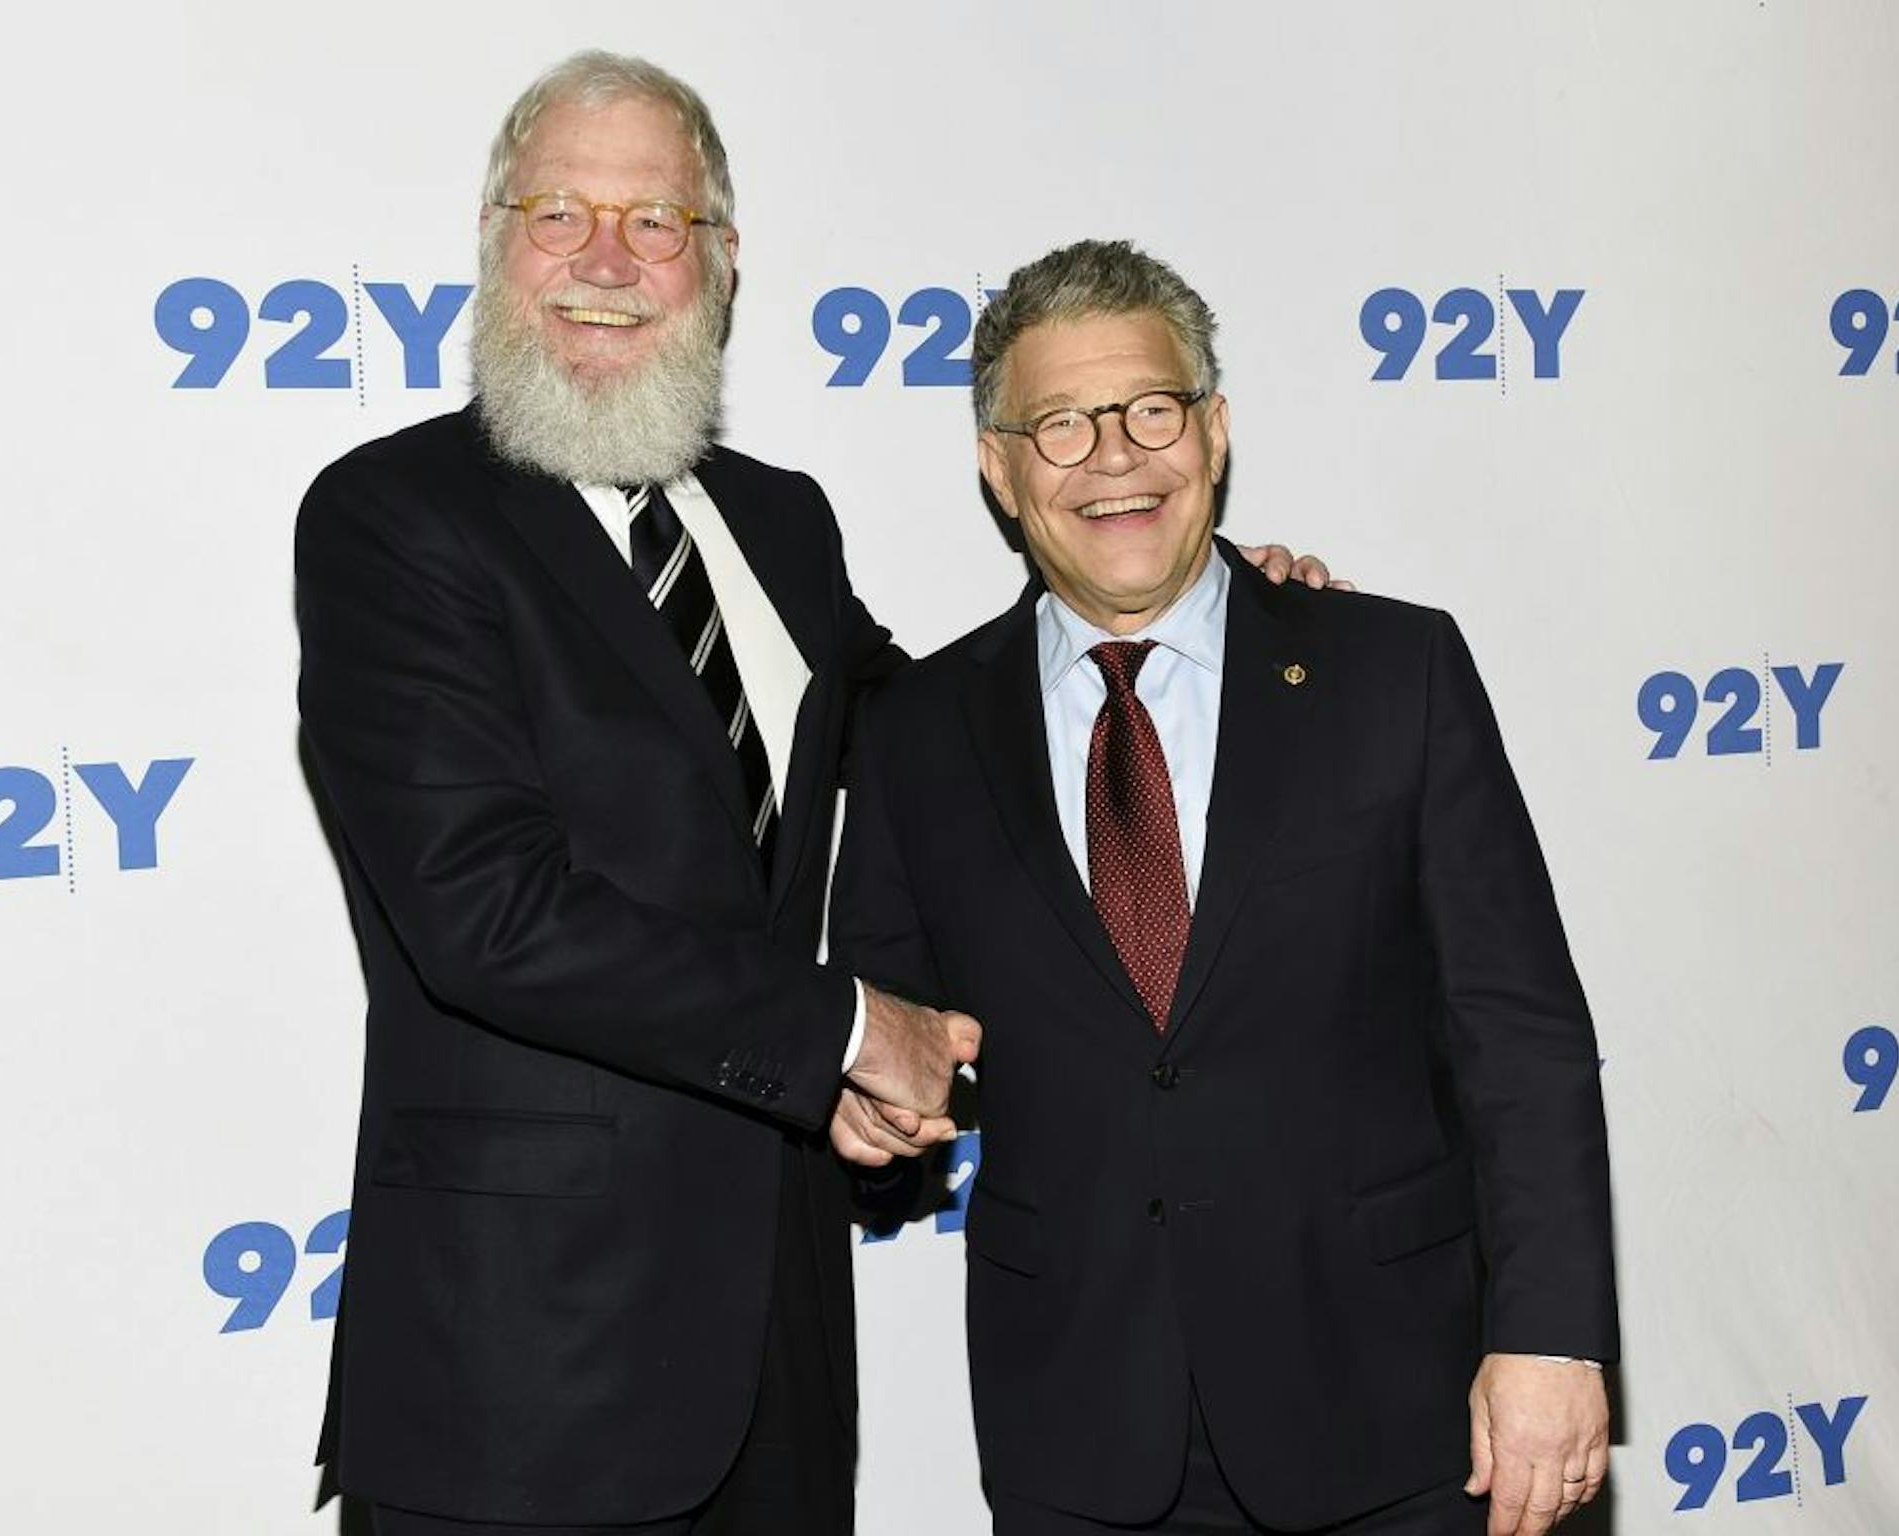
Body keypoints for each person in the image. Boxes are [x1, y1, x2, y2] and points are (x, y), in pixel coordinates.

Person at [295, 55, 1330, 1536]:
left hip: (772, 1355)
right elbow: (485, 913)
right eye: (560, 214)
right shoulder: (392, 517)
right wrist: (848, 1028)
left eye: (658, 221)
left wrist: (1182, 617)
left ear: (721, 263)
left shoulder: (778, 518)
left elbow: (940, 733)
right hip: (514, 1376)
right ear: (492, 240)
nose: (607, 262)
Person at [831, 241, 1618, 1536]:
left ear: (1213, 430)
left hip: (1404, 1414)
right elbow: (889, 1044)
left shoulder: (1393, 672)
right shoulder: (915, 733)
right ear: (999, 469)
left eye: (1151, 409)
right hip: (1078, 1433)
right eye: (1061, 425)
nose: (1114, 458)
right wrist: (863, 1116)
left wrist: (1551, 1338)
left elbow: (1518, 1032)